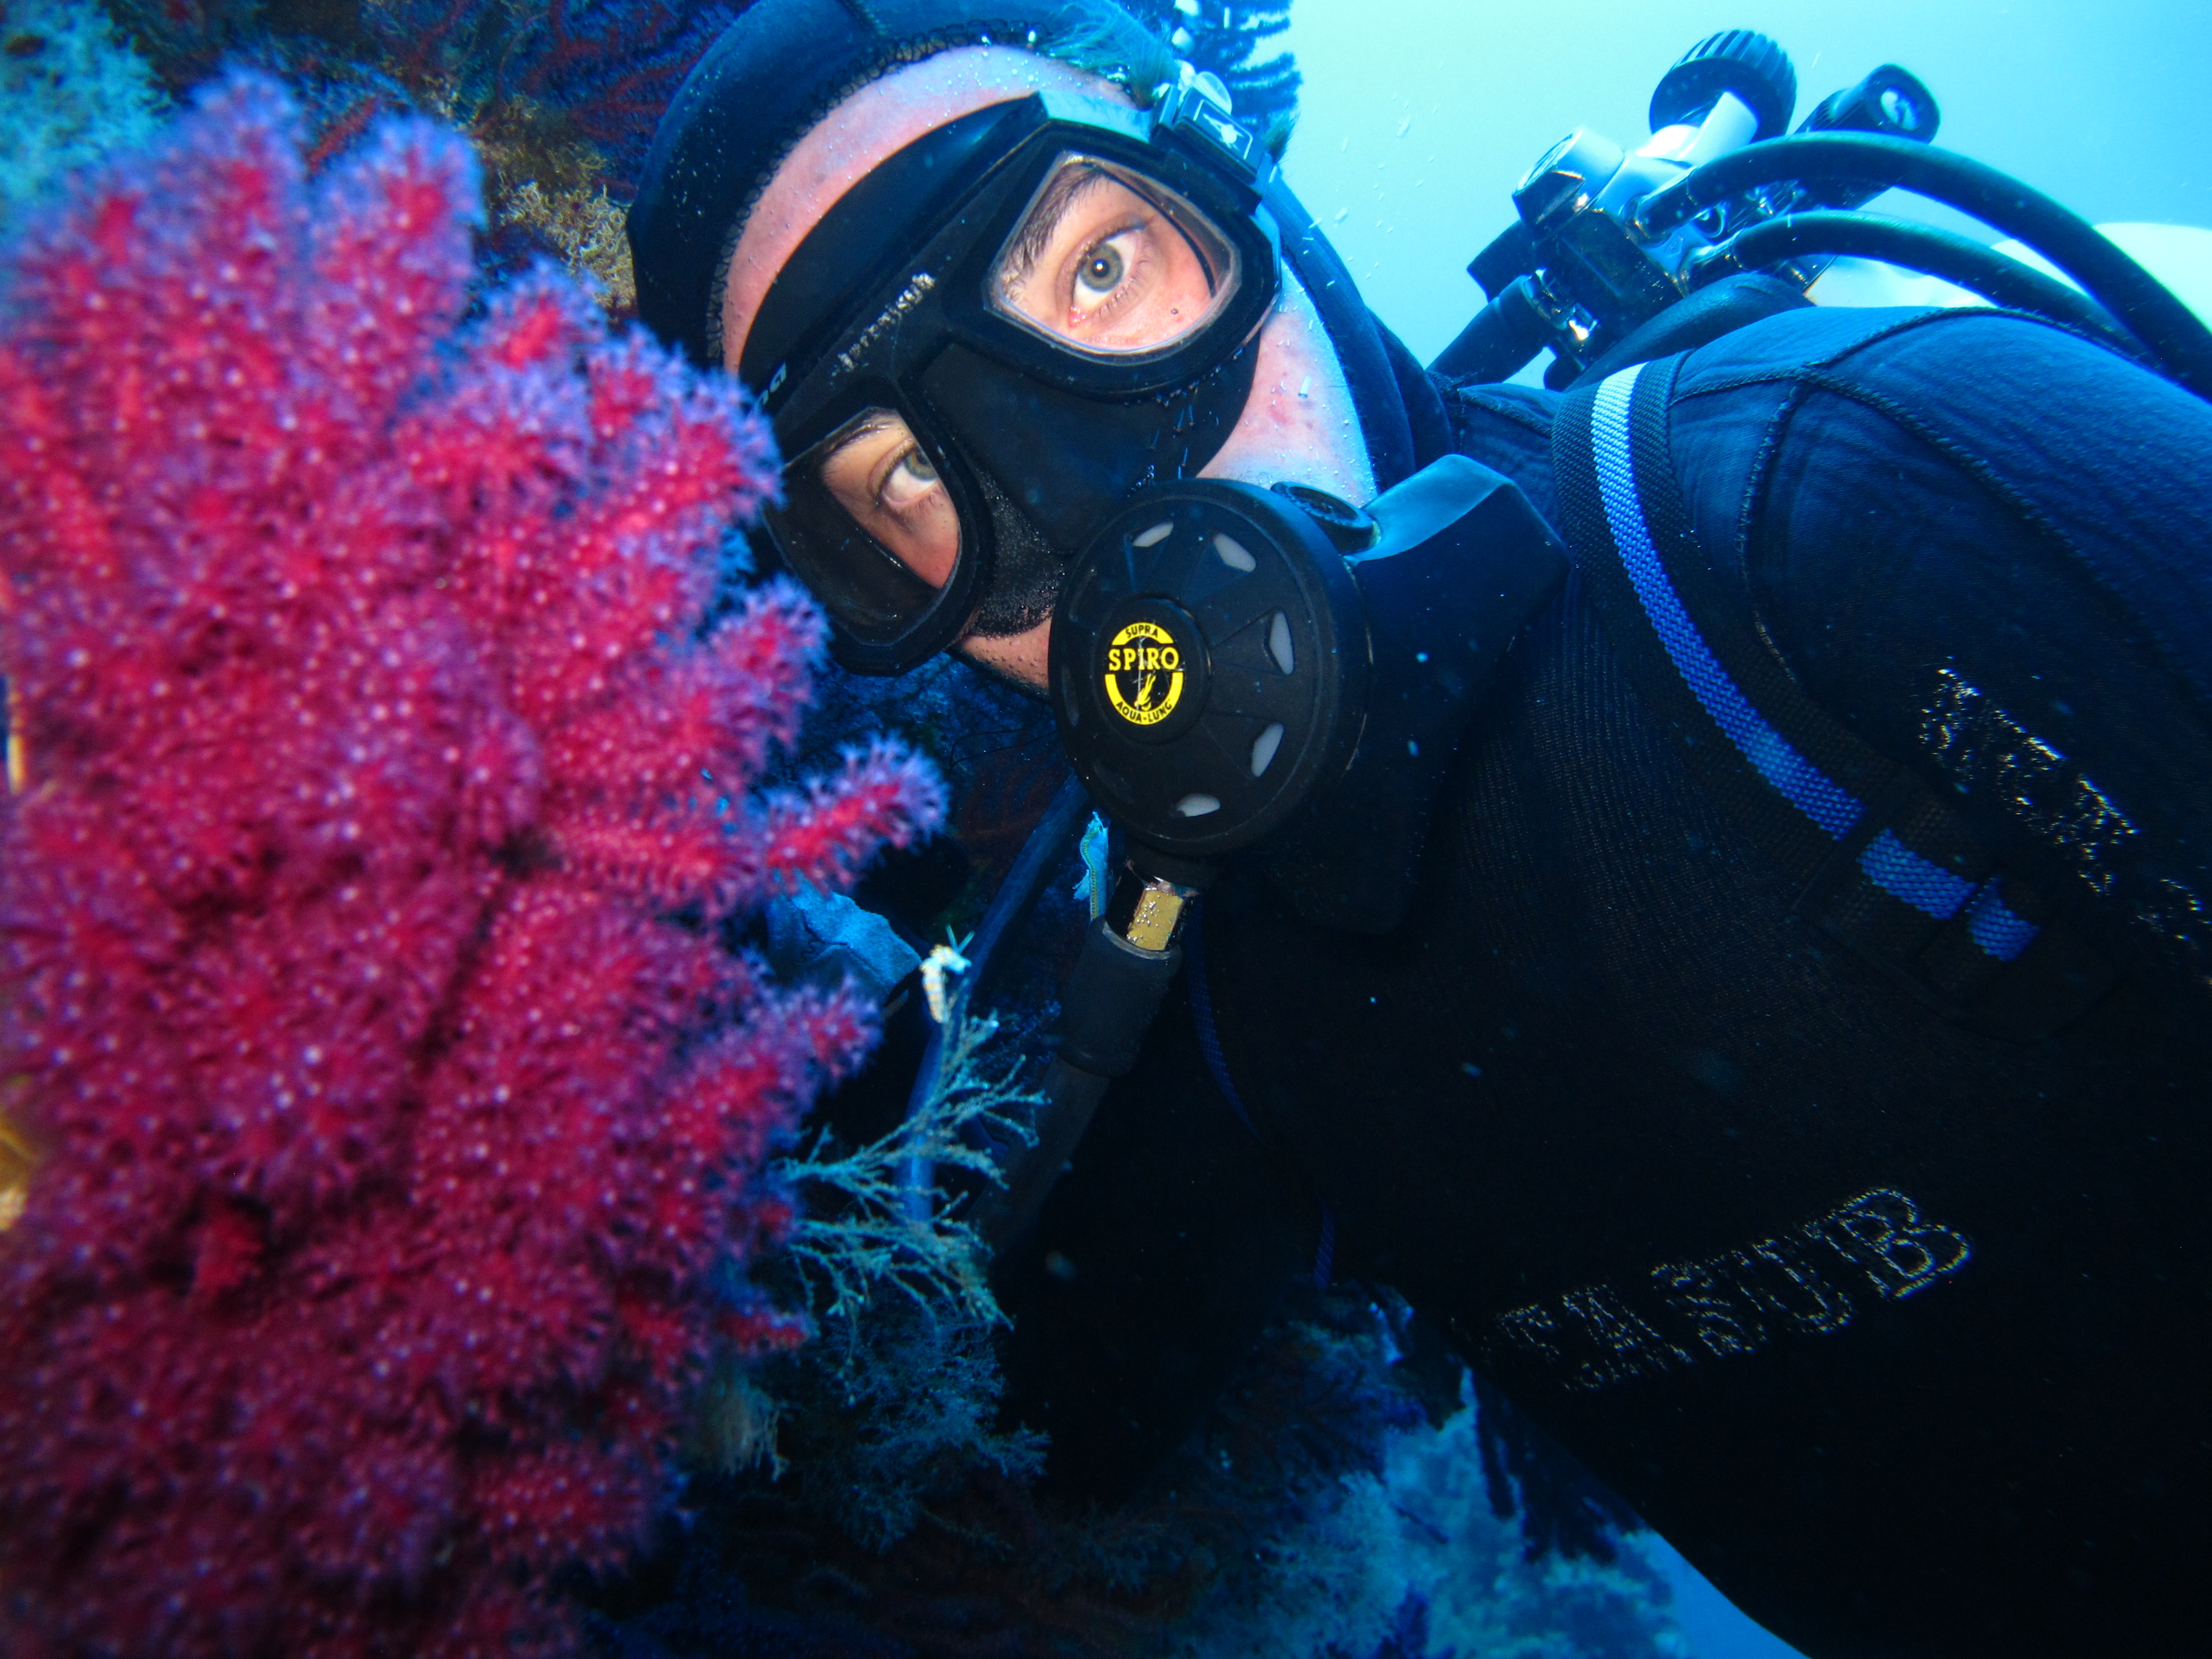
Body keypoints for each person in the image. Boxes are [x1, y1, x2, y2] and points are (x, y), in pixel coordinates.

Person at [627, 4, 2212, 1655]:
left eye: (1096, 269)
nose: (1091, 501)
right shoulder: (1181, 994)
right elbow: (1037, 1420)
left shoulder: (1832, 506)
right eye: (905, 476)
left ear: (1240, 198)